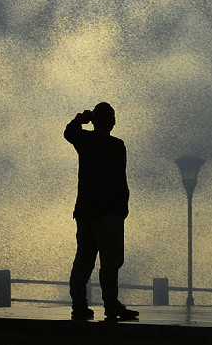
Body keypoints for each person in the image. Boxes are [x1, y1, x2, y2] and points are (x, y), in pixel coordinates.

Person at [64, 102, 139, 322]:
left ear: (94, 121)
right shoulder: (117, 146)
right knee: (110, 262)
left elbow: (69, 132)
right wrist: (122, 208)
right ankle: (111, 304)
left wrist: (81, 118)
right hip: (109, 213)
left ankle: (79, 304)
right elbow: (120, 180)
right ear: (112, 122)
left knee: (83, 260)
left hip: (85, 211)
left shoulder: (85, 140)